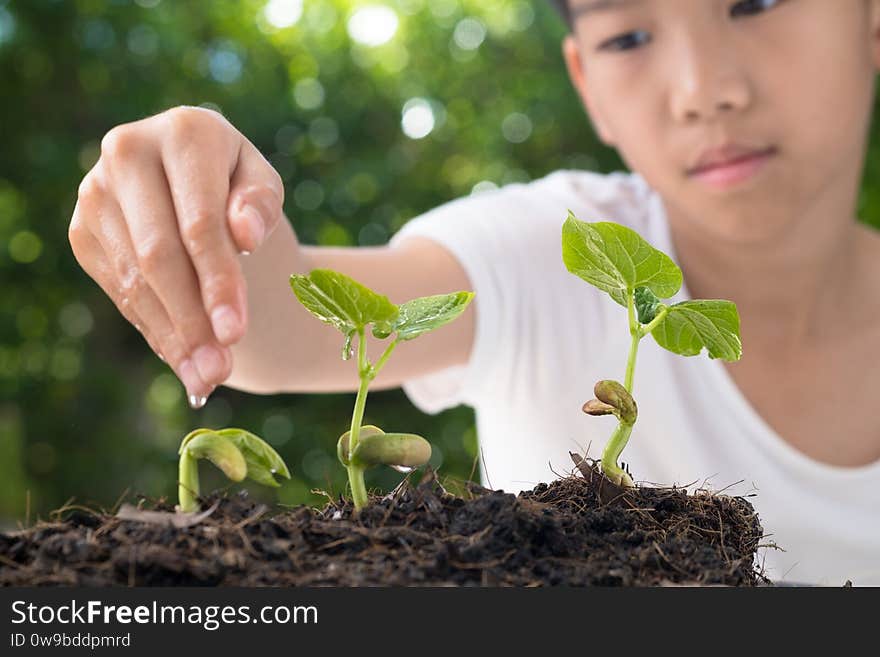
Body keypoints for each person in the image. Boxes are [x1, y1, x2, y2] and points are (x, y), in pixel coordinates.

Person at [68, 0, 880, 585]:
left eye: (760, 2)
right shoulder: (553, 246)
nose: (704, 88)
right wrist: (200, 193)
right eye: (628, 35)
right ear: (585, 85)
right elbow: (275, 324)